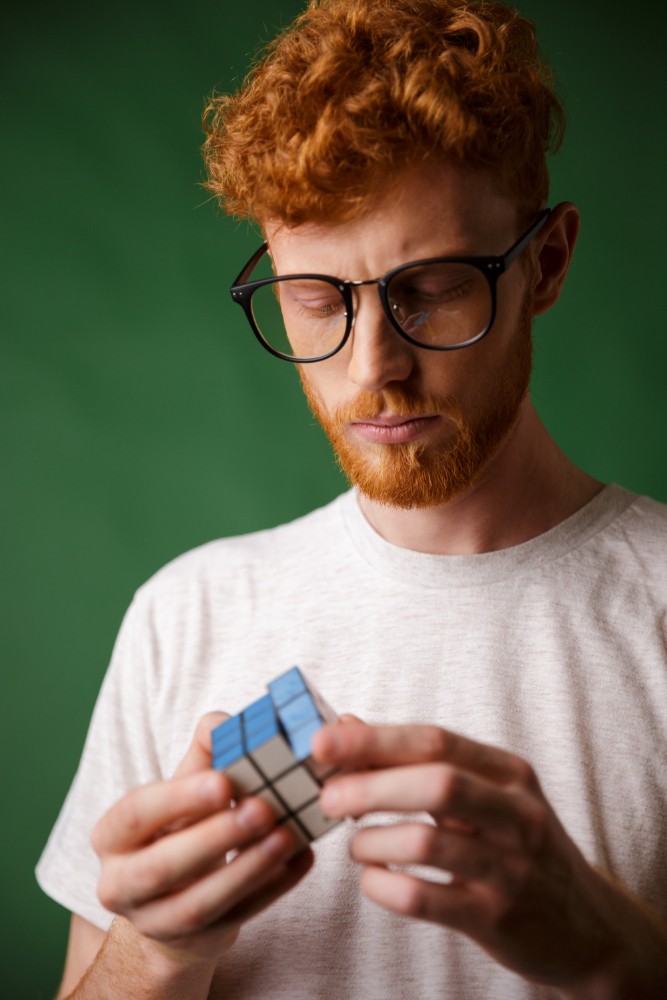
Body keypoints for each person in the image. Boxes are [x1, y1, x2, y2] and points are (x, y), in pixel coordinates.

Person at [36, 1, 667, 997]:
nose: (374, 368)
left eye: (431, 289)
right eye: (319, 300)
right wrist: (156, 951)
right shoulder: (185, 614)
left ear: (544, 262)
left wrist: (612, 954)